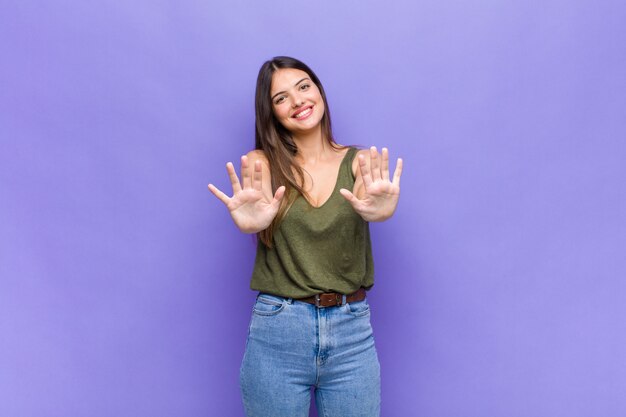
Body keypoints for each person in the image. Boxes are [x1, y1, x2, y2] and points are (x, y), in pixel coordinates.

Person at [208, 56, 402, 417]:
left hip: (351, 332)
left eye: (303, 87)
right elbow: (256, 206)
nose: (297, 101)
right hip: (279, 331)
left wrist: (380, 210)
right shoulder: (262, 163)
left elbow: (372, 201)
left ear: (318, 92)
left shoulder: (359, 162)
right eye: (281, 98)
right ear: (272, 113)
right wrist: (252, 220)